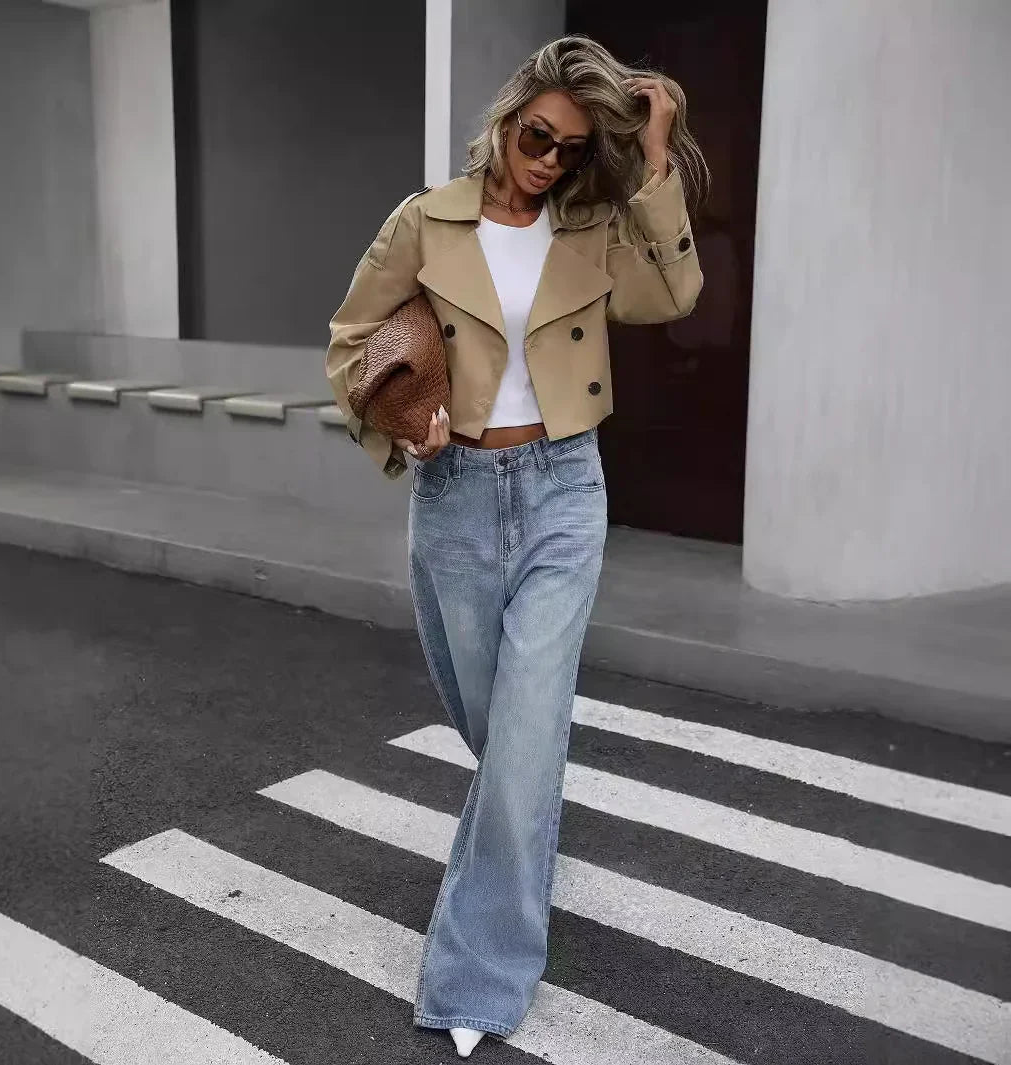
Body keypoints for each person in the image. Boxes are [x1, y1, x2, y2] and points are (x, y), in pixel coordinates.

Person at [326, 34, 706, 1058]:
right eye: (538, 136)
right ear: (504, 121)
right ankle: (522, 850)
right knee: (499, 731)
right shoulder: (425, 220)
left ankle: (476, 980)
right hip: (454, 494)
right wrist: (401, 426)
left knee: (530, 738)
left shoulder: (590, 228)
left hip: (563, 491)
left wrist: (656, 155)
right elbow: (349, 341)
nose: (548, 160)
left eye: (573, 151)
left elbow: (672, 296)